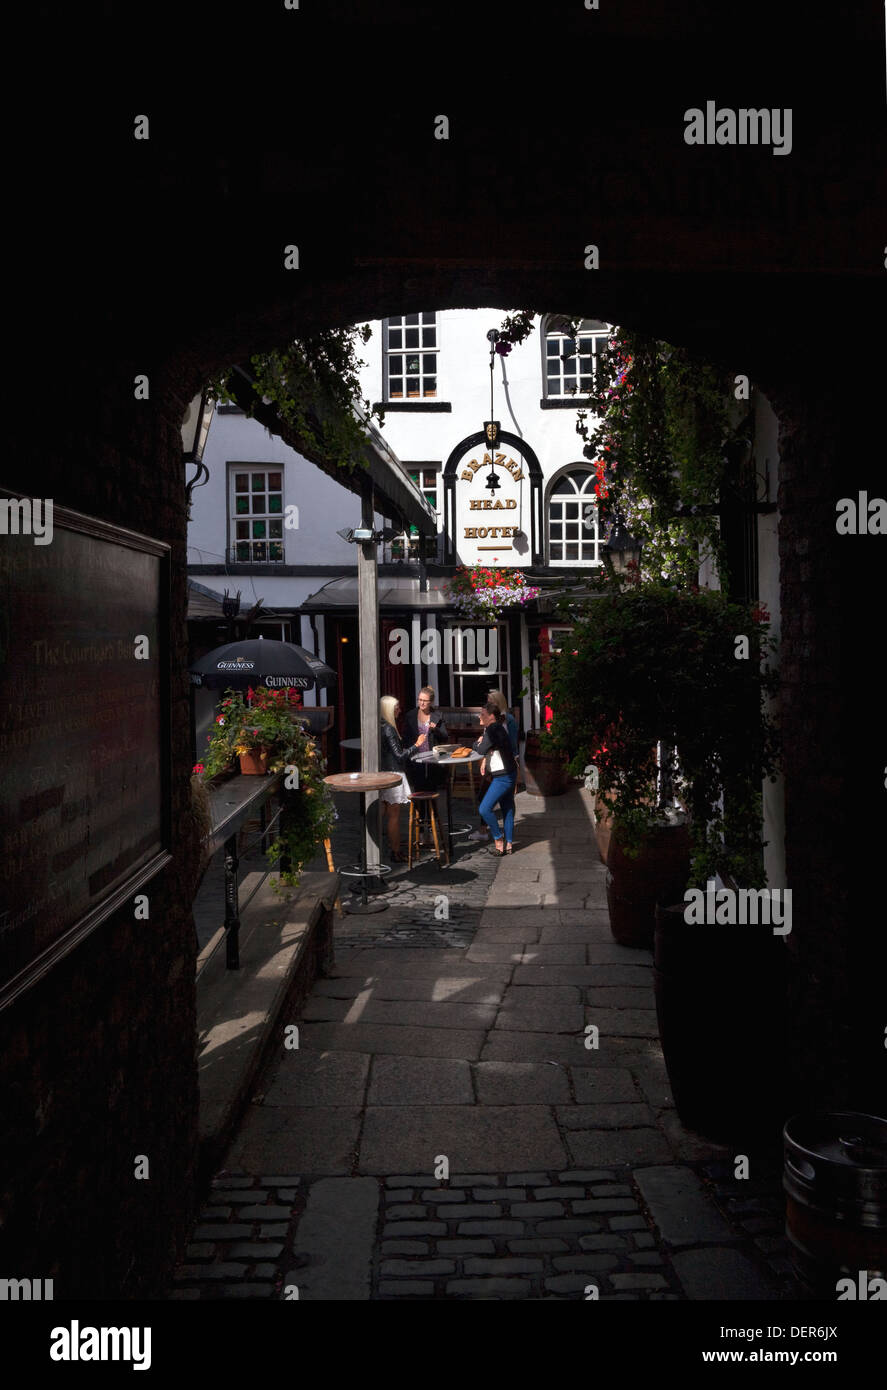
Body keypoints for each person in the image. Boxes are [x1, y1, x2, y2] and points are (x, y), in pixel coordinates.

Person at [379, 694, 427, 862]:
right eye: (396, 707)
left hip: (384, 773)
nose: (399, 709)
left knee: (383, 811)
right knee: (394, 815)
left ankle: (375, 847)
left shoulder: (382, 726)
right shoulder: (389, 728)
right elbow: (399, 756)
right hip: (393, 774)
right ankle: (396, 852)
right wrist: (417, 745)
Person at [468, 689, 519, 841]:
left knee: (487, 803)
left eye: (491, 702)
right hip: (495, 765)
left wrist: (481, 746)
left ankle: (496, 836)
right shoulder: (491, 722)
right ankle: (497, 837)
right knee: (503, 804)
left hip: (502, 768)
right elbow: (487, 743)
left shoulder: (507, 720)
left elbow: (510, 745)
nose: (487, 705)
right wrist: (484, 757)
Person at [403, 687, 450, 840]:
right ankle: (421, 832)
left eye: (425, 701)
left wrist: (435, 729)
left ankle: (430, 829)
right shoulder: (410, 715)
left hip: (432, 762)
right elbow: (405, 738)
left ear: (431, 702)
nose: (422, 703)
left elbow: (445, 737)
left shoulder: (437, 716)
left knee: (431, 794)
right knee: (418, 793)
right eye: (420, 700)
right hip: (415, 761)